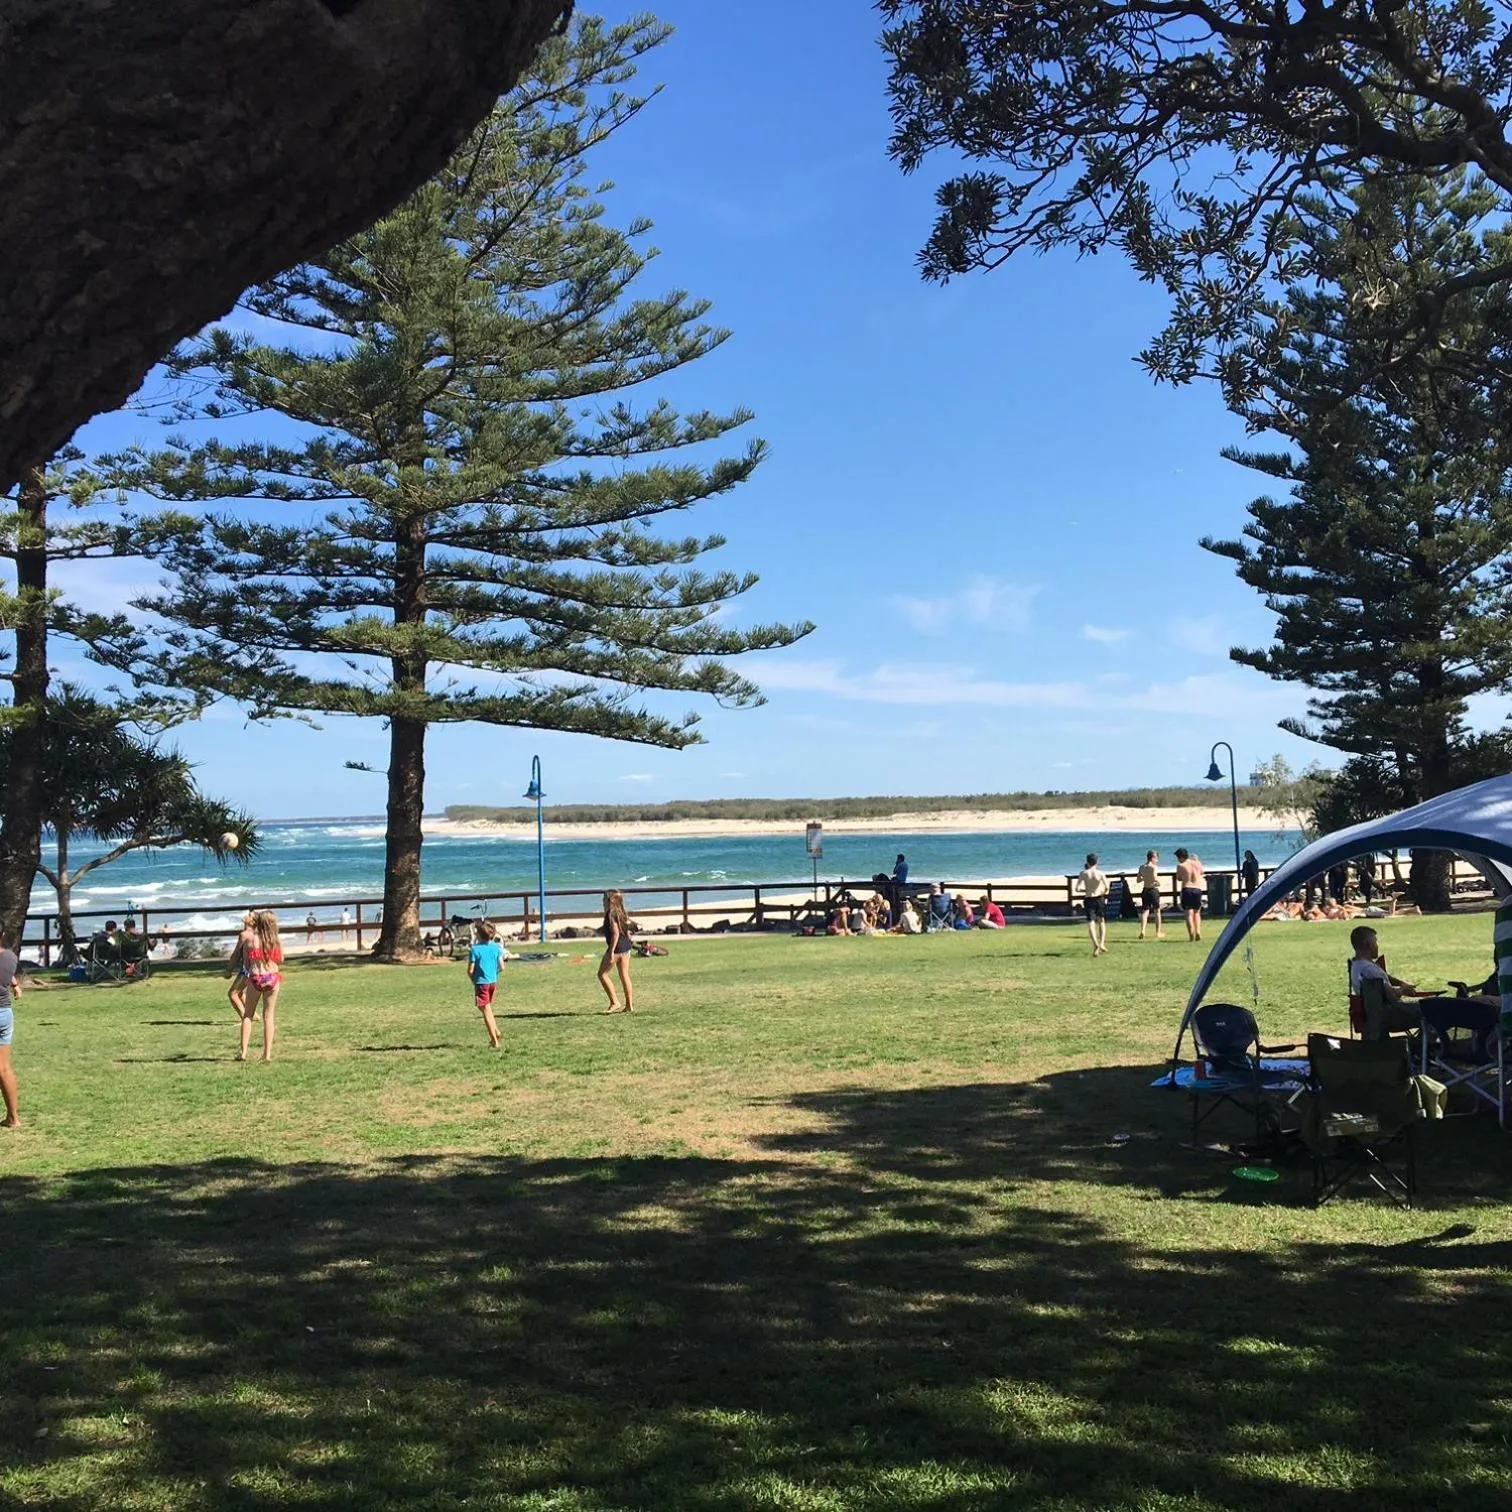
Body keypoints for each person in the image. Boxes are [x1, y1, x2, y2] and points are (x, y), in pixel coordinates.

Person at [1349, 924, 1423, 1035]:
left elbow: (1384, 978)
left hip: (1377, 1014)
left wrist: (1402, 983)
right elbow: (1392, 995)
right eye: (1375, 942)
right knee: (1436, 1009)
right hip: (1393, 1014)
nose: (1377, 946)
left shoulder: (1357, 965)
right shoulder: (1369, 970)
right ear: (1368, 944)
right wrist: (1403, 989)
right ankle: (1429, 1047)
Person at [237, 910, 284, 1062]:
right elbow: (281, 959)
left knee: (248, 1015)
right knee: (268, 1016)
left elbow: (246, 963)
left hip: (256, 977)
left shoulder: (250, 940)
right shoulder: (275, 940)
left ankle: (243, 1052)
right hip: (272, 977)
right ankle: (267, 1054)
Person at [467, 919, 508, 1049]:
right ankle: (495, 1031)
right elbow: (502, 967)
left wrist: (473, 979)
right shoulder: (496, 947)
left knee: (485, 1010)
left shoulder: (475, 950)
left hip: (481, 983)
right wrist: (493, 974)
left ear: (478, 935)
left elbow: (470, 970)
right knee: (485, 1007)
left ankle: (494, 1040)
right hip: (492, 982)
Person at [597, 889, 635, 1014]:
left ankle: (615, 1002)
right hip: (626, 947)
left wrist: (611, 952)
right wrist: (629, 941)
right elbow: (628, 931)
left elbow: (615, 933)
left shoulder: (611, 914)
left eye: (603, 899)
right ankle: (629, 1006)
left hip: (617, 948)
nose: (602, 902)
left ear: (609, 901)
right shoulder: (622, 912)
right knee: (624, 975)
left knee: (602, 974)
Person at [0, 931, 22, 1127]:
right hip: (5, 1014)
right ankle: (13, 1118)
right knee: (3, 1068)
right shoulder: (9, 956)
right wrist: (15, 984)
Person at [1076, 852, 1109, 956]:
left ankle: (1095, 945)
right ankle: (1102, 943)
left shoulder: (1084, 873)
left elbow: (1077, 888)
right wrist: (1101, 892)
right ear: (1097, 862)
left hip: (1089, 898)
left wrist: (1086, 890)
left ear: (1087, 862)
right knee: (1101, 921)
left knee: (1091, 922)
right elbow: (1107, 888)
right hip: (1099, 898)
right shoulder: (1101, 874)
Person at [1174, 848, 1205, 942]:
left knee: (1188, 914)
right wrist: (1197, 860)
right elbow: (1202, 872)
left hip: (1187, 889)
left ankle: (1191, 935)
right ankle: (1198, 931)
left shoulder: (1180, 865)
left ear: (1181, 857)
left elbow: (1179, 878)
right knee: (1197, 912)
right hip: (1197, 889)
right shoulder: (1197, 863)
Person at [1136, 850, 1165, 941]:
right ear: (1153, 858)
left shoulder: (1141, 867)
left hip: (1145, 890)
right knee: (1157, 911)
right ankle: (1158, 932)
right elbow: (1154, 878)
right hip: (1153, 890)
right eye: (1156, 858)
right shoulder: (1154, 867)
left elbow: (1138, 880)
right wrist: (1159, 882)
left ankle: (1143, 930)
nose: (1157, 860)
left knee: (1145, 911)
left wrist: (1145, 878)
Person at [891, 853, 909, 918]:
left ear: (900, 859)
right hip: (903, 881)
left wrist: (896, 864)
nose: (897, 860)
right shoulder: (906, 864)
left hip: (898, 881)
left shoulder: (900, 864)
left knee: (890, 882)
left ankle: (892, 896)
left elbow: (894, 871)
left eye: (897, 859)